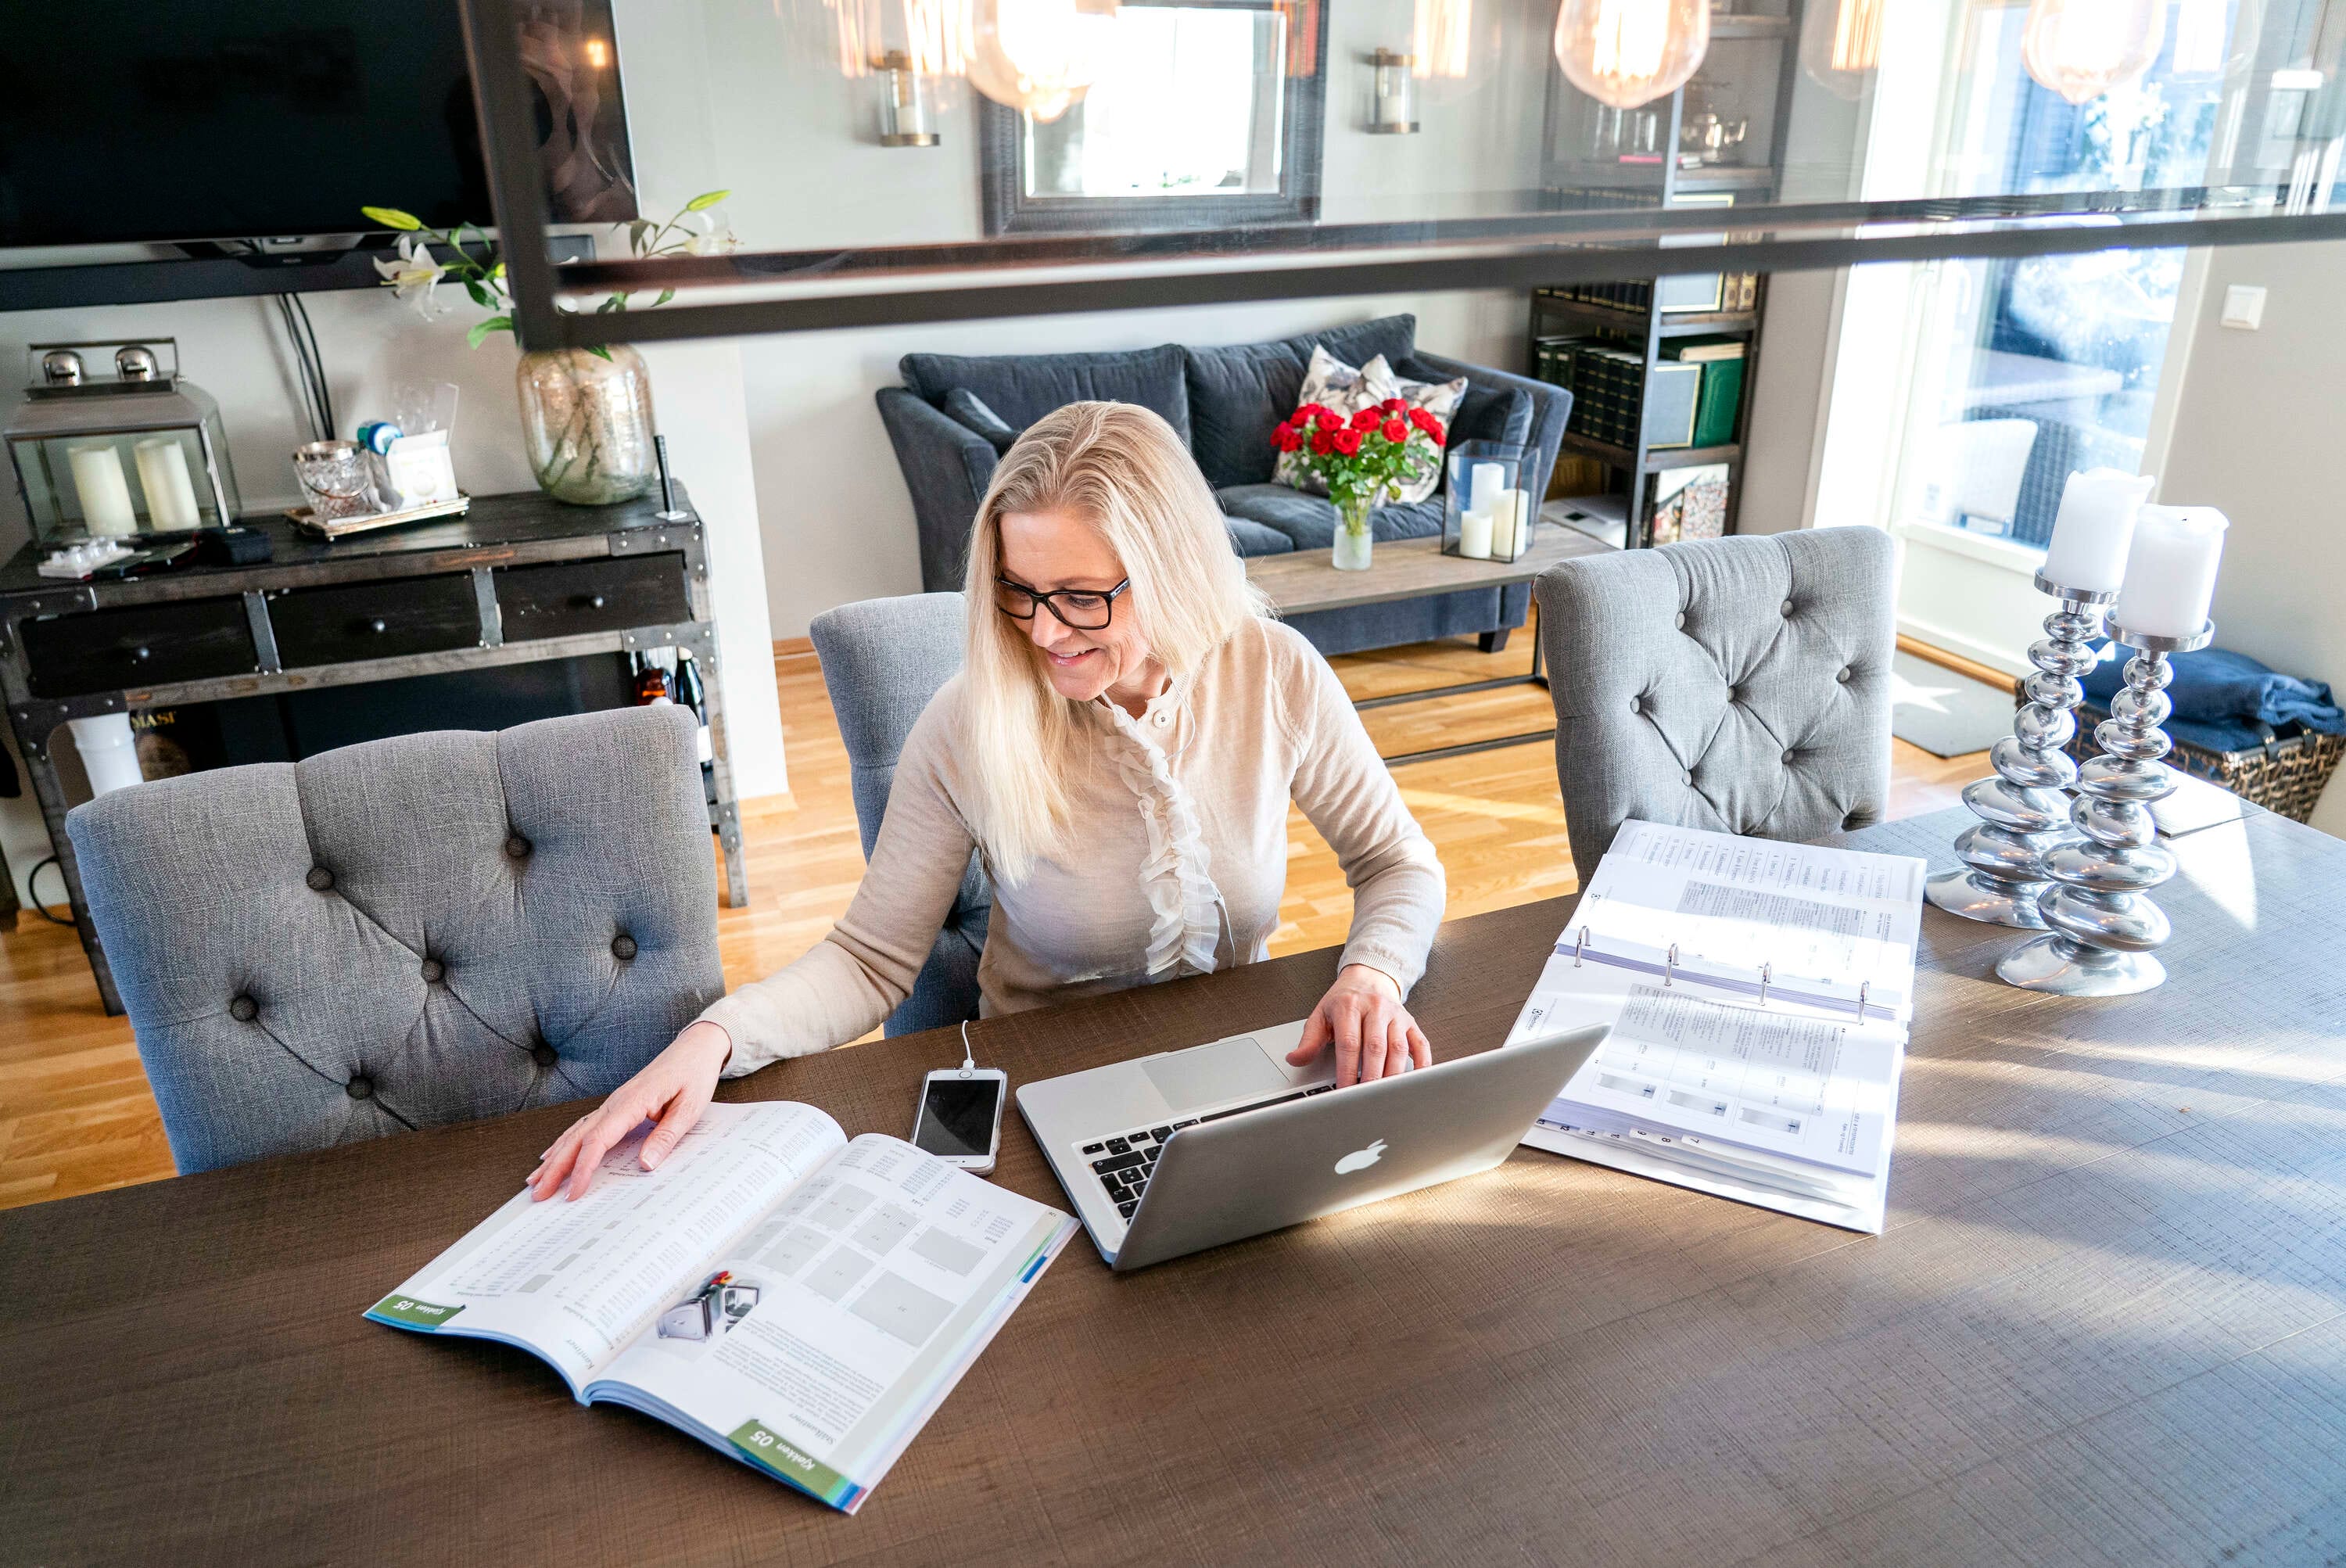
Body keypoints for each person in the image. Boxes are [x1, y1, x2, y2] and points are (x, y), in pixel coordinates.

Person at [529, 400, 1447, 1200]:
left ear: (1173, 570)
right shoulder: (971, 719)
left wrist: (1371, 973)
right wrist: (713, 1039)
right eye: (1020, 591)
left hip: (1241, 1079)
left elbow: (1397, 862)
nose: (1044, 632)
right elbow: (870, 959)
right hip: (1049, 1105)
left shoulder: (1275, 672)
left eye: (1081, 597)